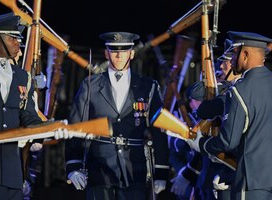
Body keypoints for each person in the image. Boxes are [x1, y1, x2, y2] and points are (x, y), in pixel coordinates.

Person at [0, 13, 68, 200]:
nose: (18, 42)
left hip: (12, 174)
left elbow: (29, 118)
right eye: (12, 37)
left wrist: (52, 129)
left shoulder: (22, 77)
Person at [65, 31, 170, 200]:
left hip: (134, 169)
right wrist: (73, 165)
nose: (119, 55)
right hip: (99, 170)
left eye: (124, 50)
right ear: (107, 53)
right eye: (114, 50)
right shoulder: (90, 85)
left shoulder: (147, 86)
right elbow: (76, 127)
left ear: (132, 53)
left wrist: (161, 170)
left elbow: (159, 130)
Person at [187, 31, 272, 200]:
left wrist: (201, 144)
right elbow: (199, 100)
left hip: (247, 180)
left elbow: (228, 140)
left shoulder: (238, 92)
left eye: (234, 54)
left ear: (245, 55)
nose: (231, 61)